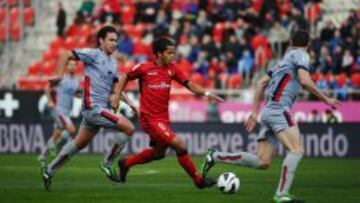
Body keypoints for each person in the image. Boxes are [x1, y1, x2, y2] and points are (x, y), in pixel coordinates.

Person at [201, 30, 341, 202]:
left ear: (290, 40)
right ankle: (281, 194)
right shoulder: (301, 55)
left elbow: (260, 83)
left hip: (268, 111)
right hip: (279, 110)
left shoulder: (282, 62)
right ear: (308, 44)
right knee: (296, 151)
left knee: (263, 161)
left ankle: (214, 156)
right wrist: (326, 99)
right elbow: (304, 80)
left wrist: (254, 111)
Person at [115, 37, 224, 189]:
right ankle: (199, 180)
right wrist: (117, 96)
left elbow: (189, 84)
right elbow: (125, 77)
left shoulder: (172, 69)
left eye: (173, 53)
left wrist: (206, 93)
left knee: (159, 154)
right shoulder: (144, 68)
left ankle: (126, 163)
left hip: (163, 119)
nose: (172, 56)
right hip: (150, 119)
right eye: (169, 53)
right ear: (159, 54)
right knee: (179, 144)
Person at [42, 25, 138, 191]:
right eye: (111, 40)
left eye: (116, 40)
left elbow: (116, 89)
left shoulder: (113, 62)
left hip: (96, 111)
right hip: (94, 108)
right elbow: (66, 54)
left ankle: (49, 170)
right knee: (129, 128)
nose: (114, 43)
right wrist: (59, 75)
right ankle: (107, 163)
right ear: (101, 41)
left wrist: (131, 104)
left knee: (78, 144)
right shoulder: (93, 54)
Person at [38, 59, 81, 167]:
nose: (72, 67)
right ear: (66, 67)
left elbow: (75, 94)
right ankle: (55, 146)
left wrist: (82, 97)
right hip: (60, 110)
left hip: (67, 111)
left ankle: (42, 156)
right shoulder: (61, 78)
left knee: (56, 135)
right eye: (70, 65)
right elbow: (47, 87)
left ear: (76, 67)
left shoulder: (76, 80)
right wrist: (50, 101)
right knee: (72, 130)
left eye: (74, 65)